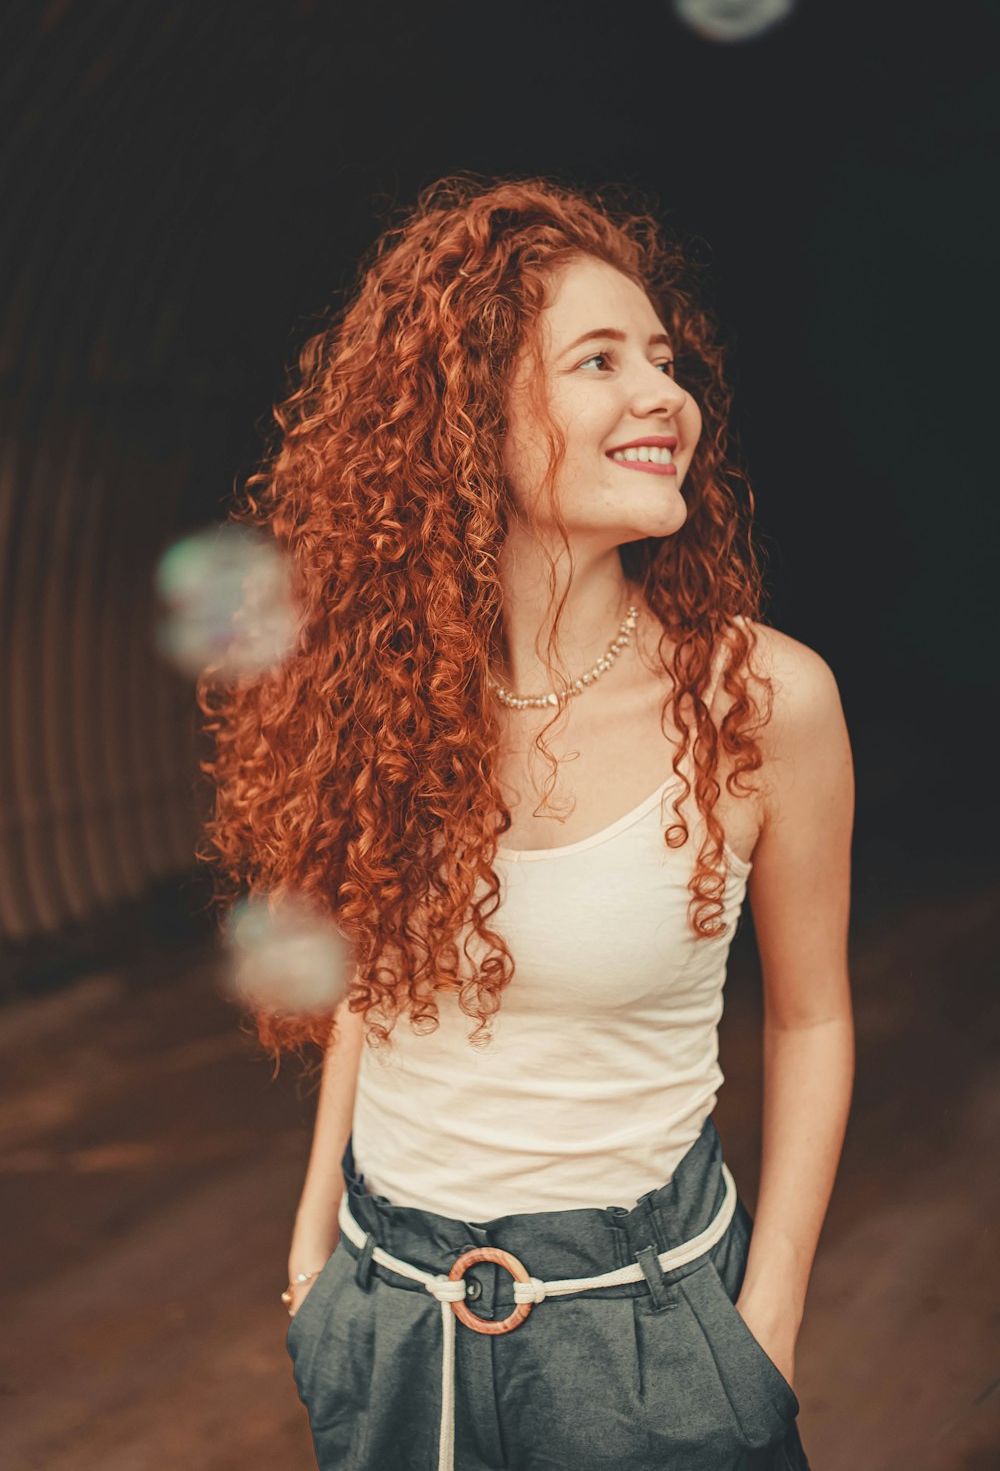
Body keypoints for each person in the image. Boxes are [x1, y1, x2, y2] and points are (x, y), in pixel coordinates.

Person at [199, 174, 855, 1471]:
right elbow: (370, 979)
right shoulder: (370, 690)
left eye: (665, 361)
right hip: (391, 1317)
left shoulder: (761, 701)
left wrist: (766, 1321)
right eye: (599, 360)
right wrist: (311, 1249)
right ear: (470, 415)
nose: (662, 394)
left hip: (649, 1335)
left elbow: (812, 1017)